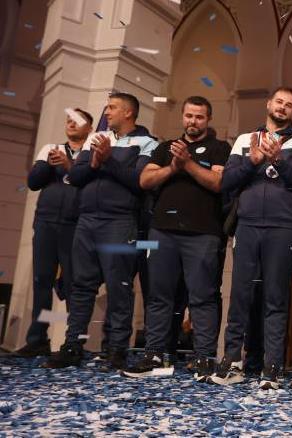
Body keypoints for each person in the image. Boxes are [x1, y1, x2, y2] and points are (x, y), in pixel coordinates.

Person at [42, 93, 159, 370]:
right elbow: (75, 177)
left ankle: (116, 349)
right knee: (81, 285)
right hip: (86, 221)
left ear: (128, 112)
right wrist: (95, 162)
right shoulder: (96, 138)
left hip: (119, 222)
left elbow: (139, 181)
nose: (107, 112)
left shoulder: (148, 143)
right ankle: (73, 345)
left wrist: (108, 160)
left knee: (119, 286)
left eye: (112, 107)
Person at [122, 96, 231, 381]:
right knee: (158, 296)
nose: (193, 121)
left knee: (203, 297)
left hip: (203, 233)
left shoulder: (220, 148)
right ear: (182, 116)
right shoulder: (164, 148)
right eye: (189, 115)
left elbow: (219, 183)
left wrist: (188, 163)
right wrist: (173, 166)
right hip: (162, 231)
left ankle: (204, 357)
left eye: (199, 116)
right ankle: (155, 354)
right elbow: (144, 180)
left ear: (208, 119)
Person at [213, 87, 292, 389]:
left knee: (275, 298)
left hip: (283, 227)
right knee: (240, 296)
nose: (283, 107)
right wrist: (253, 159)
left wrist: (279, 160)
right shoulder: (246, 140)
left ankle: (272, 368)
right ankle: (232, 360)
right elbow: (227, 181)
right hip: (247, 226)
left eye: (289, 104)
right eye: (279, 102)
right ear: (269, 104)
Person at [15, 109, 93, 357]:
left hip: (76, 226)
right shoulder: (50, 148)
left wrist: (70, 166)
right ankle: (38, 338)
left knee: (73, 284)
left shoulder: (92, 155)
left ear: (90, 128)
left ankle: (73, 341)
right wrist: (48, 163)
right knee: (42, 282)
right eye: (68, 120)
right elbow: (33, 182)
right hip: (46, 223)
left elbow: (88, 184)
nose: (71, 123)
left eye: (77, 121)